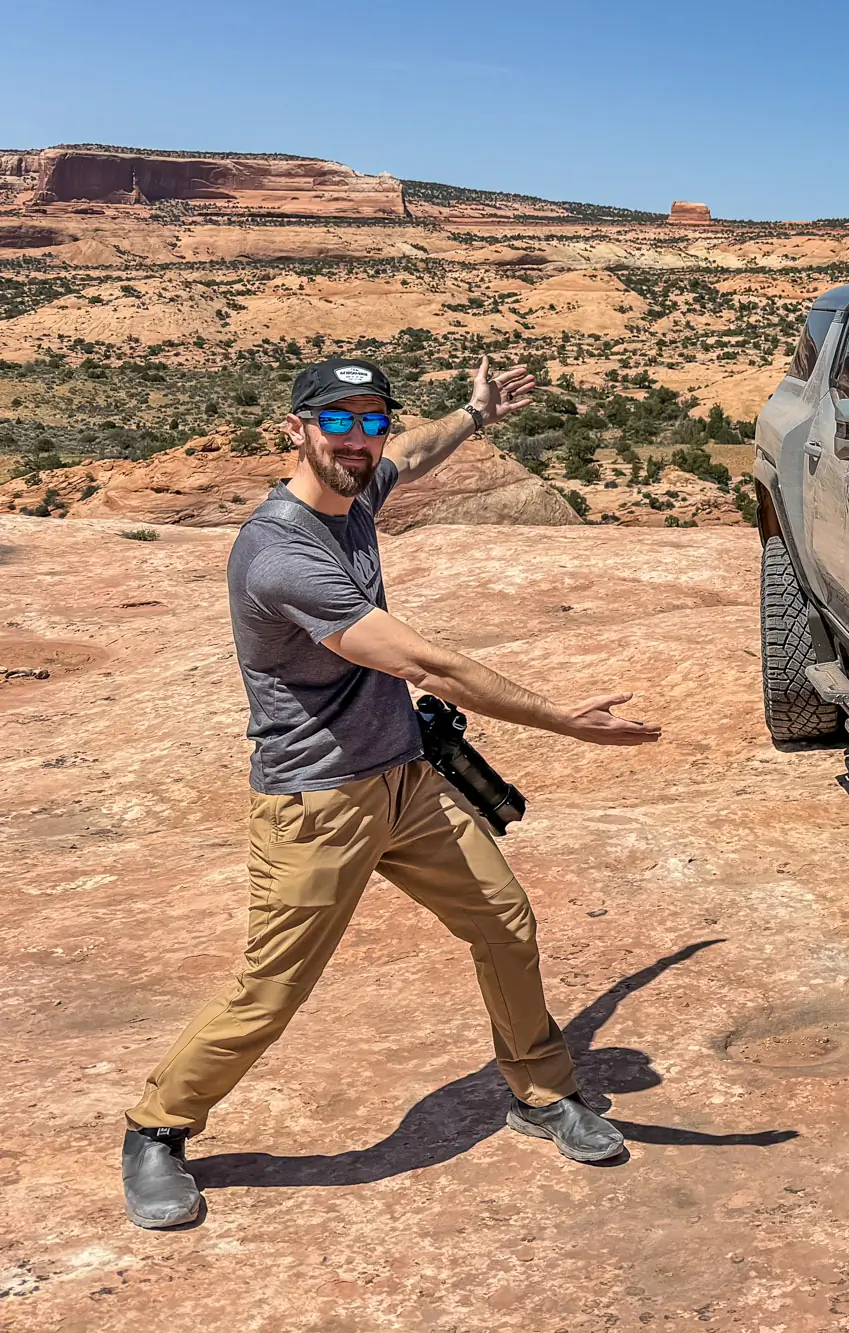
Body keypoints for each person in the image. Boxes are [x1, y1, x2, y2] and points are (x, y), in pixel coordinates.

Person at [121, 355, 662, 1229]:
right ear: (295, 429)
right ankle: (156, 1125)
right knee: (272, 988)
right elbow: (420, 660)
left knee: (504, 920)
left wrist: (475, 414)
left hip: (407, 780)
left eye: (370, 420)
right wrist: (564, 721)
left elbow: (415, 451)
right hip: (317, 804)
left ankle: (539, 1090)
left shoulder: (357, 491)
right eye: (337, 421)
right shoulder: (280, 553)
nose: (360, 439)